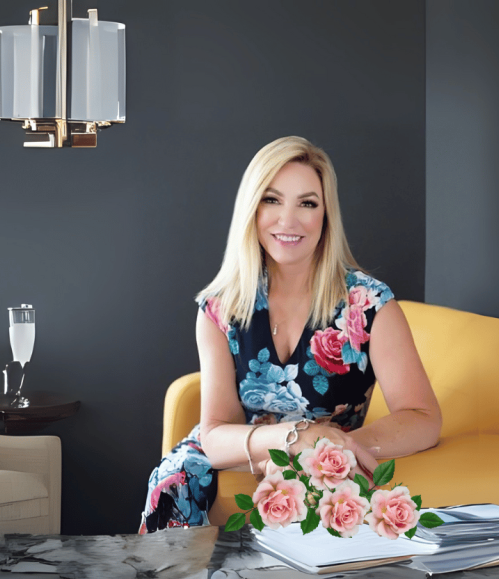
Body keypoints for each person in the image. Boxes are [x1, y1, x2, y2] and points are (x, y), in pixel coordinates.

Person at [139, 136, 442, 533]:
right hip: (244, 451)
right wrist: (293, 438)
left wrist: (329, 450)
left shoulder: (369, 304)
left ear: (326, 215)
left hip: (327, 463)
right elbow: (214, 435)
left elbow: (423, 418)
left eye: (307, 203)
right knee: (171, 481)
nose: (288, 220)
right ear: (252, 209)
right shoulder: (220, 308)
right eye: (272, 200)